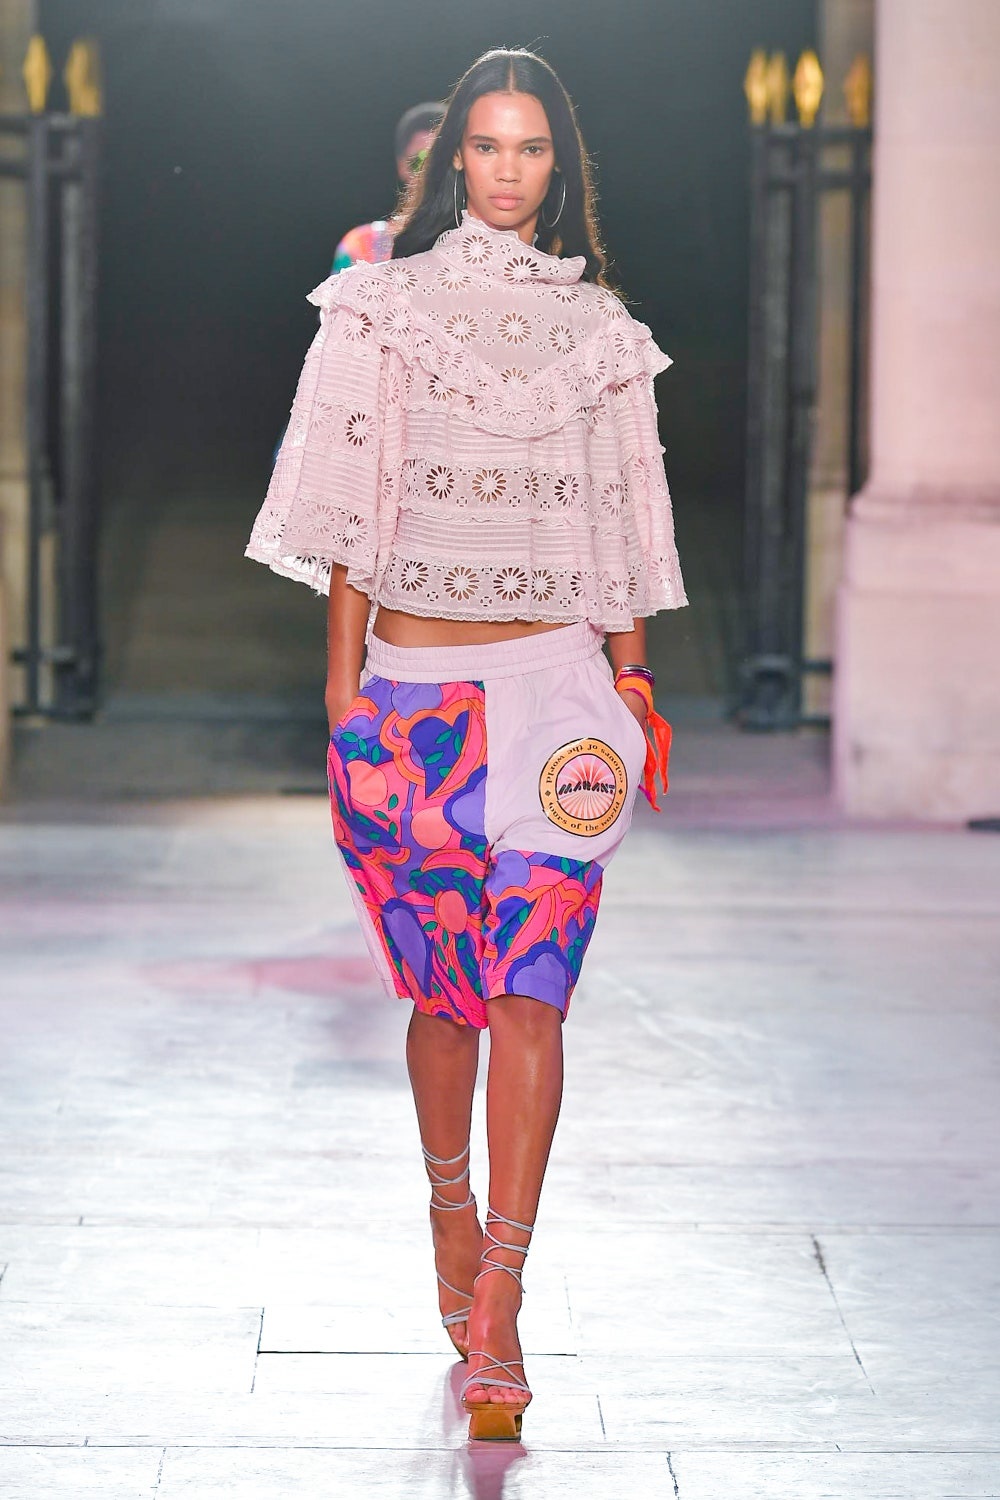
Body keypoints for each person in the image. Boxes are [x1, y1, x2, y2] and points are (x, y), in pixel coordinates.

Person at [246, 46, 686, 1442]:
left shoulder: (602, 330)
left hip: (560, 700)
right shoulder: (379, 309)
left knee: (533, 996)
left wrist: (632, 683)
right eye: (487, 147)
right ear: (453, 162)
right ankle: (449, 1210)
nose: (508, 171)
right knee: (446, 1003)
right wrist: (344, 698)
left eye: (531, 148)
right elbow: (353, 509)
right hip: (417, 711)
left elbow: (619, 521)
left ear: (561, 166)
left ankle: (501, 1292)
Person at [331, 102, 444, 273]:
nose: (431, 173)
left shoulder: (481, 244)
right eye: (419, 161)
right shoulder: (362, 245)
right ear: (402, 166)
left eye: (443, 161)